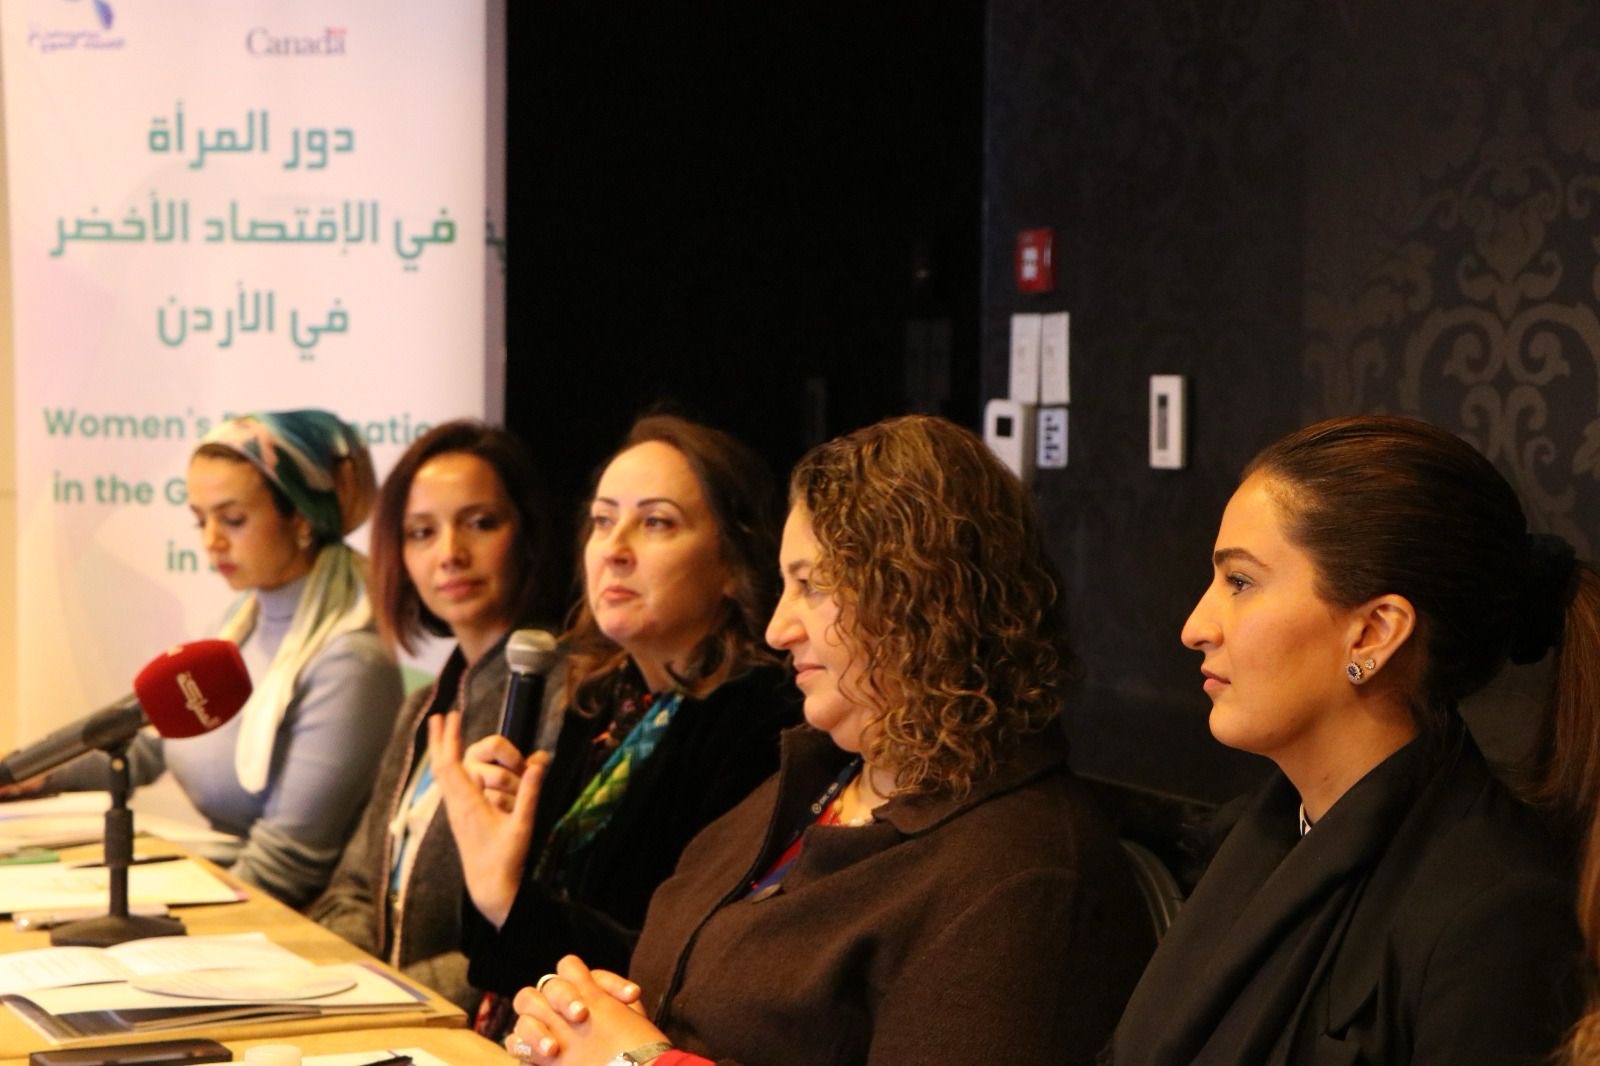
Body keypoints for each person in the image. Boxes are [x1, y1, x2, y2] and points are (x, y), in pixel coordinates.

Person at [499, 414, 1154, 1066]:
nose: (778, 629)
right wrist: (579, 1018)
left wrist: (633, 1061)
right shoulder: (817, 779)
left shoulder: (1025, 878)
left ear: (919, 602)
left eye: (811, 586)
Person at [1113, 415, 1593, 1065]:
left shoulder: (1494, 918)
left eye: (1240, 582)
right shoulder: (1257, 832)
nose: (1196, 626)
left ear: (1373, 634)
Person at [429, 414, 800, 1034]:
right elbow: (500, 948)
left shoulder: (762, 727)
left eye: (655, 523)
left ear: (732, 561)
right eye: (602, 521)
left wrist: (507, 895)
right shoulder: (600, 696)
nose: (614, 549)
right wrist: (494, 862)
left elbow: (680, 971)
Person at [27, 410, 402, 907]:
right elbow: (148, 745)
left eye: (233, 519)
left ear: (301, 518)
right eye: (200, 520)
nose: (210, 541)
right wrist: (36, 775)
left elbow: (285, 865)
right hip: (226, 888)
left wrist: (173, 914)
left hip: (292, 920)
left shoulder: (351, 663)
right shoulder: (239, 622)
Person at [308, 420, 558, 1010]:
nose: (450, 554)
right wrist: (340, 988)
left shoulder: (567, 698)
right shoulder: (423, 705)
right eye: (422, 533)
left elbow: (527, 931)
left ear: (527, 534)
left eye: (480, 523)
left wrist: (385, 999)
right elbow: (353, 887)